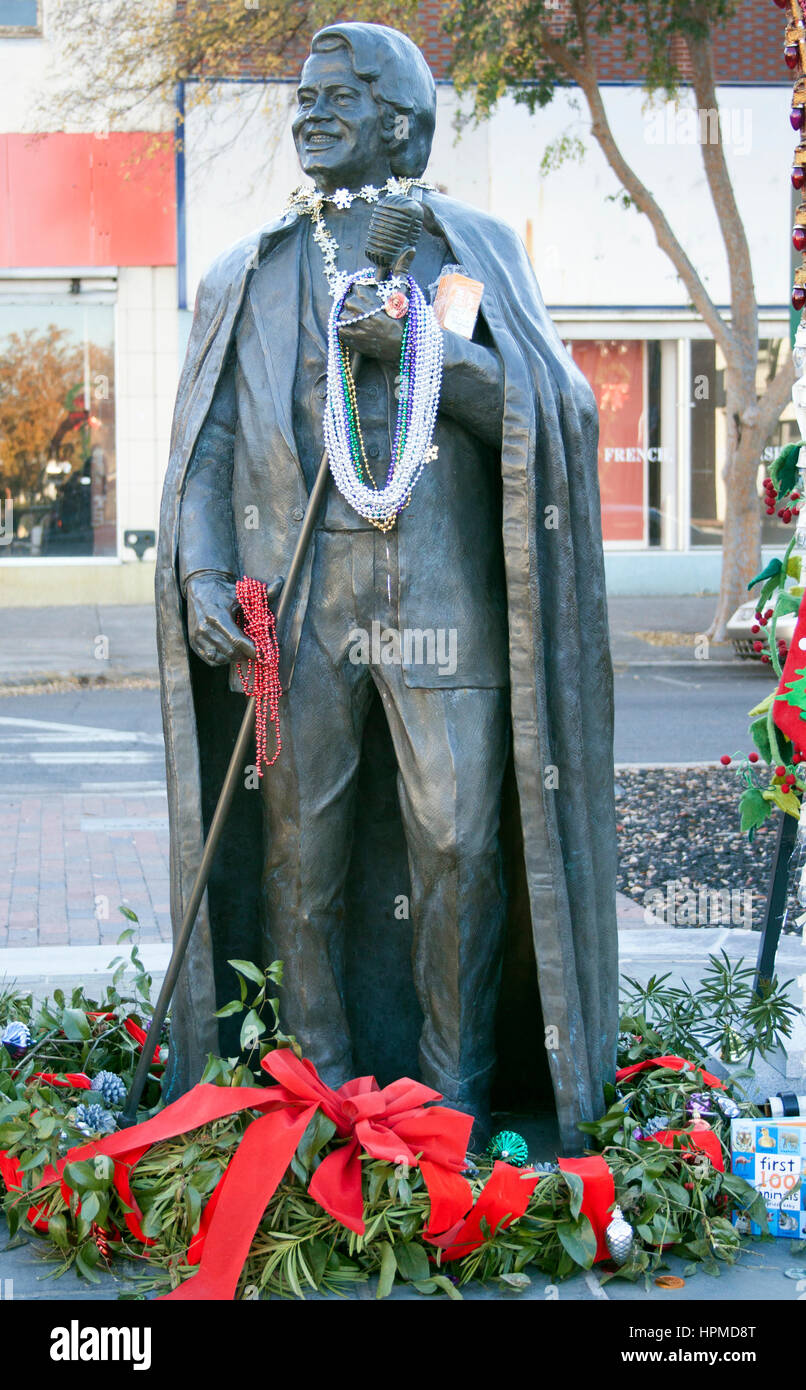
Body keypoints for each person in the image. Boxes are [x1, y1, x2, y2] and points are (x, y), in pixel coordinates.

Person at [157, 22, 617, 1153]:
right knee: (294, 850)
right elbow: (205, 444)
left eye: (340, 96)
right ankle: (314, 1090)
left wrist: (429, 354)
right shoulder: (248, 270)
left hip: (440, 602)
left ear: (402, 122)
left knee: (456, 839)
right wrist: (205, 567)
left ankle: (452, 1092)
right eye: (302, 97)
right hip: (300, 601)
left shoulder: (469, 247)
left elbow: (556, 410)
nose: (310, 112)